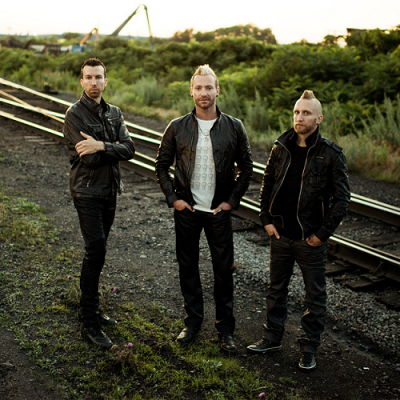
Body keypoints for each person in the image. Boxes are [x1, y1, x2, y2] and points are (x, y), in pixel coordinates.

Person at [247, 90, 350, 370]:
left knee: (314, 297)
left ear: (319, 118)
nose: (299, 117)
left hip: (309, 239)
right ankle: (272, 338)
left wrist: (320, 235)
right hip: (280, 234)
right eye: (296, 112)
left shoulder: (331, 154)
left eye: (306, 113)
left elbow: (342, 200)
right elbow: (267, 183)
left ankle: (308, 348)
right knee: (275, 291)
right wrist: (265, 219)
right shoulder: (281, 146)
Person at [155, 65, 253, 352]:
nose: (203, 93)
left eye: (209, 87)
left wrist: (231, 201)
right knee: (188, 267)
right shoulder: (177, 126)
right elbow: (161, 165)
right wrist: (174, 199)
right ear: (191, 91)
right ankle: (192, 323)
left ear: (217, 90)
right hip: (188, 210)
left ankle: (226, 330)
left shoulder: (234, 126)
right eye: (198, 88)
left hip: (218, 212)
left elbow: (247, 168)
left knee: (223, 271)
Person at [63, 58, 135, 348]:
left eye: (98, 77)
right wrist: (110, 149)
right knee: (96, 250)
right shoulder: (74, 115)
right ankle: (88, 321)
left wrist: (101, 144)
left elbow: (130, 149)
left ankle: (91, 307)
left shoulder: (114, 112)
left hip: (110, 191)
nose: (94, 82)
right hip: (87, 192)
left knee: (99, 252)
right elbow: (90, 159)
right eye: (89, 77)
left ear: (106, 81)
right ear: (82, 81)